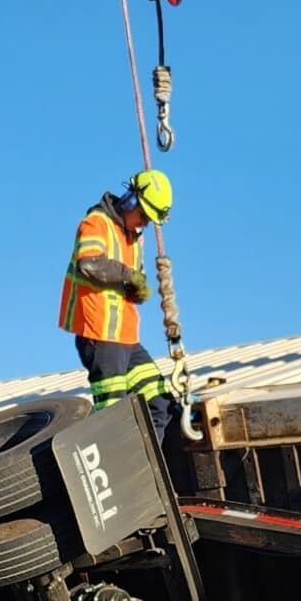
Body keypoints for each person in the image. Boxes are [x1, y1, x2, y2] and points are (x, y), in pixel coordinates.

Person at [58, 169, 178, 440]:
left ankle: (148, 464)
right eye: (144, 216)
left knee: (161, 404)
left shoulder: (134, 238)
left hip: (127, 340)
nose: (145, 223)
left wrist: (137, 289)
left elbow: (127, 282)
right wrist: (128, 276)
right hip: (100, 336)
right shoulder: (96, 223)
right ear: (131, 201)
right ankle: (119, 464)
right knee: (113, 417)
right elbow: (89, 263)